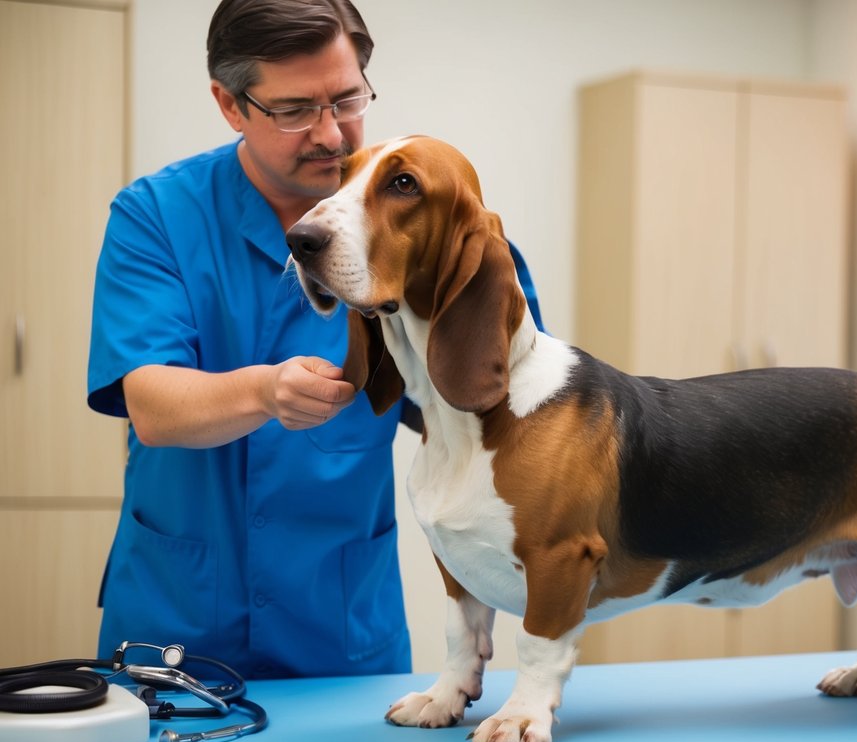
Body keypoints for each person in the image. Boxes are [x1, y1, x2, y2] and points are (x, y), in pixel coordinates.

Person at [86, 0, 544, 679]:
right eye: (295, 110)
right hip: (178, 622)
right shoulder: (155, 217)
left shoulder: (432, 225)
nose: (331, 134)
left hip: (341, 628)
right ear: (230, 104)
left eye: (347, 99)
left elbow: (507, 415)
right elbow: (151, 405)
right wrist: (266, 391)